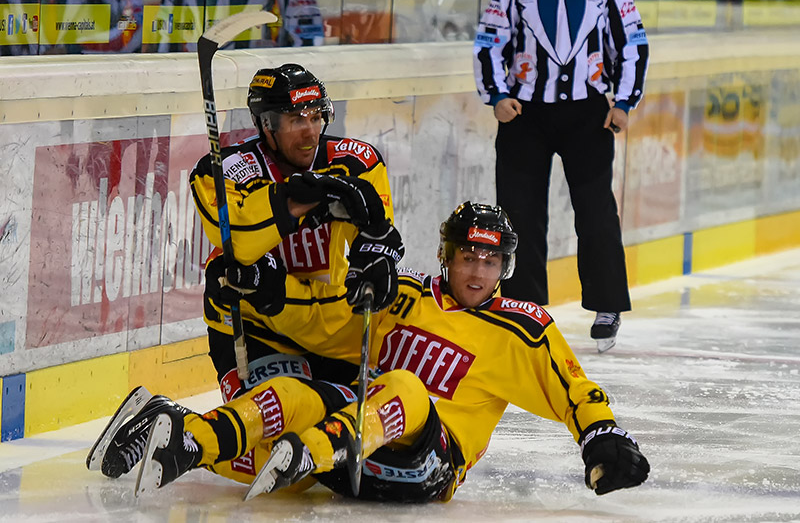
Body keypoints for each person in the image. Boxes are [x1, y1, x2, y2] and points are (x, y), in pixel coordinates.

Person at [123, 201, 649, 502]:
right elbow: (326, 324)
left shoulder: (523, 328)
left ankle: (316, 449)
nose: (476, 271)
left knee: (404, 386)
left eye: (490, 262)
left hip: (427, 467)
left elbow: (574, 389)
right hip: (355, 446)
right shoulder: (403, 293)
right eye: (468, 256)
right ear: (447, 255)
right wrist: (266, 292)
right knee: (292, 393)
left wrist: (600, 435)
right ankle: (189, 438)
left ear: (505, 268)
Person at [86, 63, 403, 485]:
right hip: (255, 326)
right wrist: (301, 198)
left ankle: (177, 424)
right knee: (285, 463)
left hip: (328, 330)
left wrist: (376, 258)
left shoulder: (355, 160)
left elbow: (379, 231)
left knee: (324, 452)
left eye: (316, 117)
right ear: (266, 125)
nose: (310, 132)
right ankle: (170, 427)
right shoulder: (224, 171)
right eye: (295, 120)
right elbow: (238, 241)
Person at [472, 0, 650, 353]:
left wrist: (625, 101)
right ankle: (524, 306)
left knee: (596, 209)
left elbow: (632, 41)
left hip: (590, 115)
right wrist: (496, 94)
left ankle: (607, 304)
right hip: (524, 113)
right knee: (519, 211)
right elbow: (490, 38)